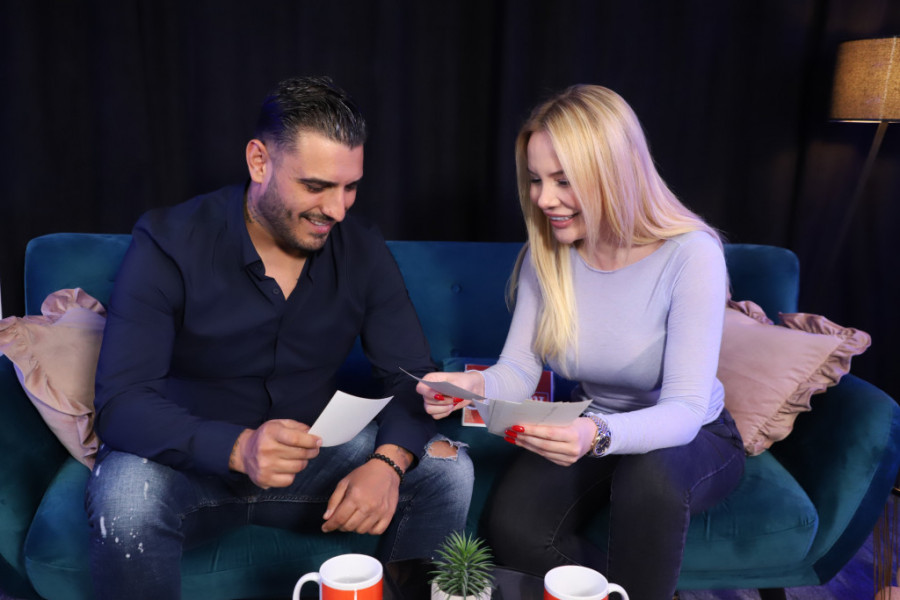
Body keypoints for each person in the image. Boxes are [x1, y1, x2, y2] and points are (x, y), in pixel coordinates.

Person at [85, 75, 473, 600]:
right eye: (316, 186)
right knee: (125, 498)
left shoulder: (361, 248)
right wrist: (238, 447)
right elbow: (121, 402)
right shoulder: (168, 241)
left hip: (312, 461)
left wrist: (388, 463)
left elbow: (412, 378)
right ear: (259, 162)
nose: (337, 210)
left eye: (350, 187)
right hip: (185, 467)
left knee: (449, 470)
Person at [417, 85, 745, 600]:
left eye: (563, 180)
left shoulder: (691, 253)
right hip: (592, 421)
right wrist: (470, 387)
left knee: (648, 479)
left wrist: (594, 434)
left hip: (692, 433)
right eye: (536, 179)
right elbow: (518, 371)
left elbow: (683, 410)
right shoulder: (545, 253)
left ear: (614, 172)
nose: (543, 199)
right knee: (515, 529)